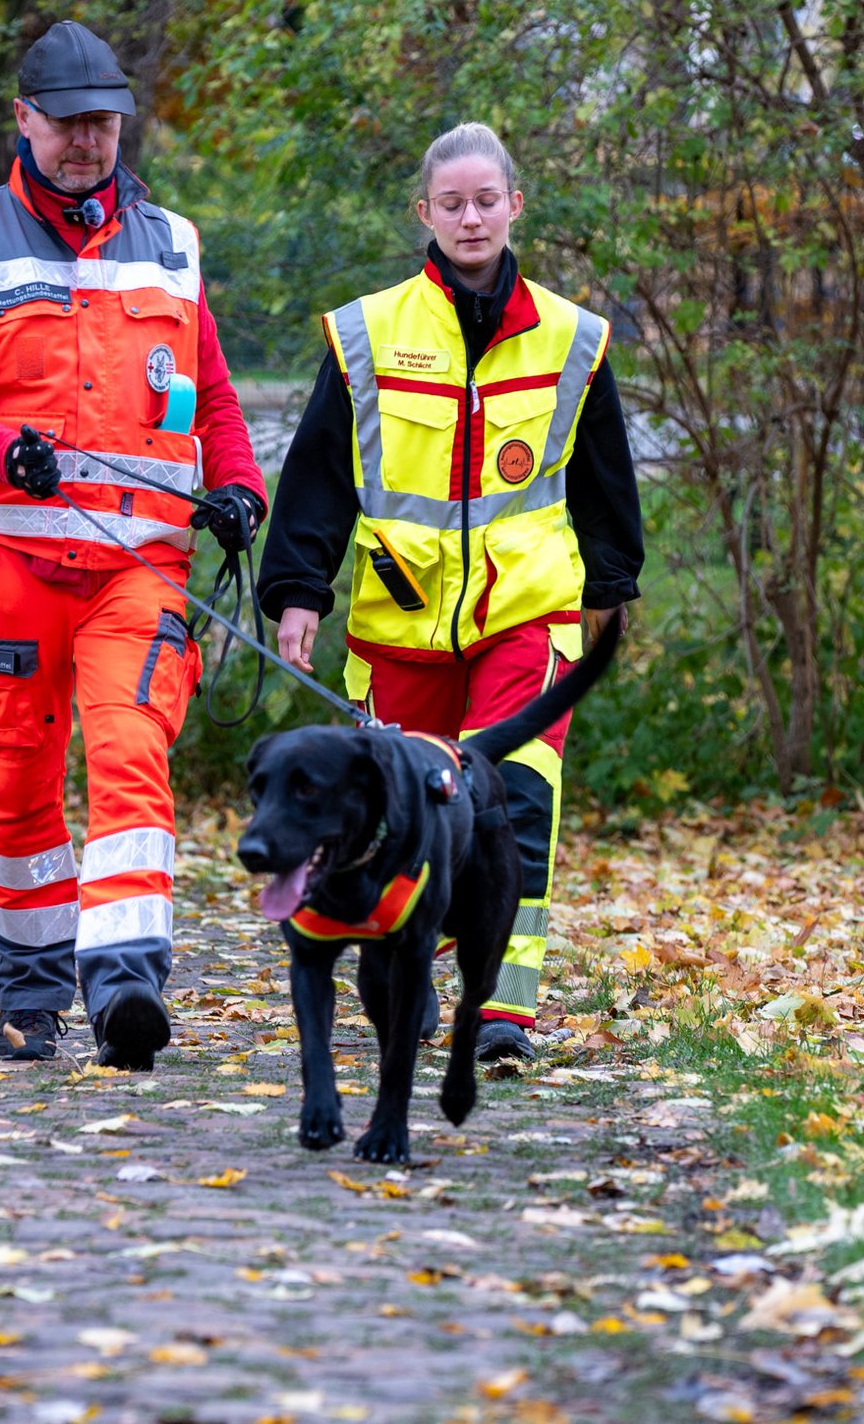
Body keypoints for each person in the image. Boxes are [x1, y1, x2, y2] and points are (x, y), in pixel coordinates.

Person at [0, 20, 266, 1069]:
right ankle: (29, 996)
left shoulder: (174, 244)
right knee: (17, 777)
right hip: (11, 570)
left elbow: (216, 398)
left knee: (129, 755)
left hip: (138, 568)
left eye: (102, 124)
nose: (86, 143)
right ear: (24, 120)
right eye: (67, 124)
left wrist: (238, 486)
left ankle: (123, 991)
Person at [256, 121, 644, 1063]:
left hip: (529, 613)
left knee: (511, 800)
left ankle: (503, 1008)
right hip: (398, 624)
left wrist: (611, 588)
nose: (470, 218)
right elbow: (318, 475)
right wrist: (299, 590)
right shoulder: (367, 332)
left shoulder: (572, 338)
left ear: (516, 204)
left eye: (486, 200)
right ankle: (410, 967)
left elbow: (604, 479)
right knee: (406, 811)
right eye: (452, 203)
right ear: (424, 213)